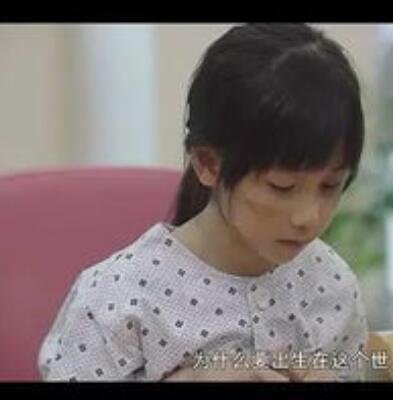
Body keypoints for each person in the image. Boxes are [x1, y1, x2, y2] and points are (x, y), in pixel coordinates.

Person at [38, 23, 369, 382]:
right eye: (281, 187)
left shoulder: (331, 283)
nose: (309, 217)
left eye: (330, 186)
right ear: (208, 164)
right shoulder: (116, 299)